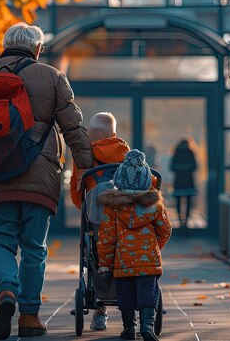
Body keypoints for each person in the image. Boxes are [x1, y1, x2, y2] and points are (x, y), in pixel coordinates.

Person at [0, 22, 93, 340]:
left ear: (5, 45)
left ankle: (6, 290)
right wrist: (85, 168)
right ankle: (29, 317)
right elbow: (74, 127)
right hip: (40, 176)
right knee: (33, 248)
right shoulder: (52, 76)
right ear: (37, 49)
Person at [97, 150, 172, 341]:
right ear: (147, 180)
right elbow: (165, 230)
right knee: (148, 293)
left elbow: (107, 237)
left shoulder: (113, 206)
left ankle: (129, 327)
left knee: (126, 295)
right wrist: (155, 247)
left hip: (123, 261)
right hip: (148, 261)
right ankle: (147, 326)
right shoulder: (154, 204)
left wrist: (105, 263)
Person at [70, 112, 130, 331]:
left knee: (95, 258)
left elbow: (77, 195)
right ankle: (130, 312)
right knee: (126, 256)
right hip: (125, 225)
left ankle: (99, 312)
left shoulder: (85, 159)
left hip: (96, 224)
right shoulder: (126, 153)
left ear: (89, 136)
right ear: (114, 133)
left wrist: (88, 210)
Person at [170, 138, 198, 228]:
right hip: (189, 181)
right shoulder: (191, 152)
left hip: (178, 181)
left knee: (178, 201)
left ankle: (180, 220)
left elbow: (172, 167)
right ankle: (186, 221)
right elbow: (195, 167)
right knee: (188, 201)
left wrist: (180, 169)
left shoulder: (176, 153)